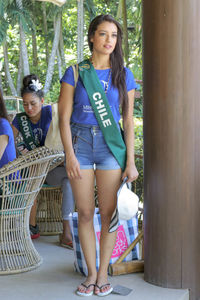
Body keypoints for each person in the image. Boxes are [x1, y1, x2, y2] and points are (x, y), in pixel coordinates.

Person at [58, 14, 139, 297]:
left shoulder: (124, 74)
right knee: (83, 213)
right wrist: (69, 154)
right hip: (79, 142)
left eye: (114, 36)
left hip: (110, 147)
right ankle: (90, 274)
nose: (109, 40)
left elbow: (128, 121)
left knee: (108, 214)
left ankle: (103, 273)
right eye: (103, 34)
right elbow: (64, 117)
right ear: (92, 37)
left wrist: (130, 161)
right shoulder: (76, 72)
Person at [12, 74, 74, 245]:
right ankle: (30, 225)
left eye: (33, 103)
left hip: (52, 168)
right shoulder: (19, 120)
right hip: (31, 171)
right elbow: (9, 143)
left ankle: (67, 232)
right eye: (25, 104)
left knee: (70, 180)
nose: (29, 108)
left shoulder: (51, 113)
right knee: (32, 178)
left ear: (42, 101)